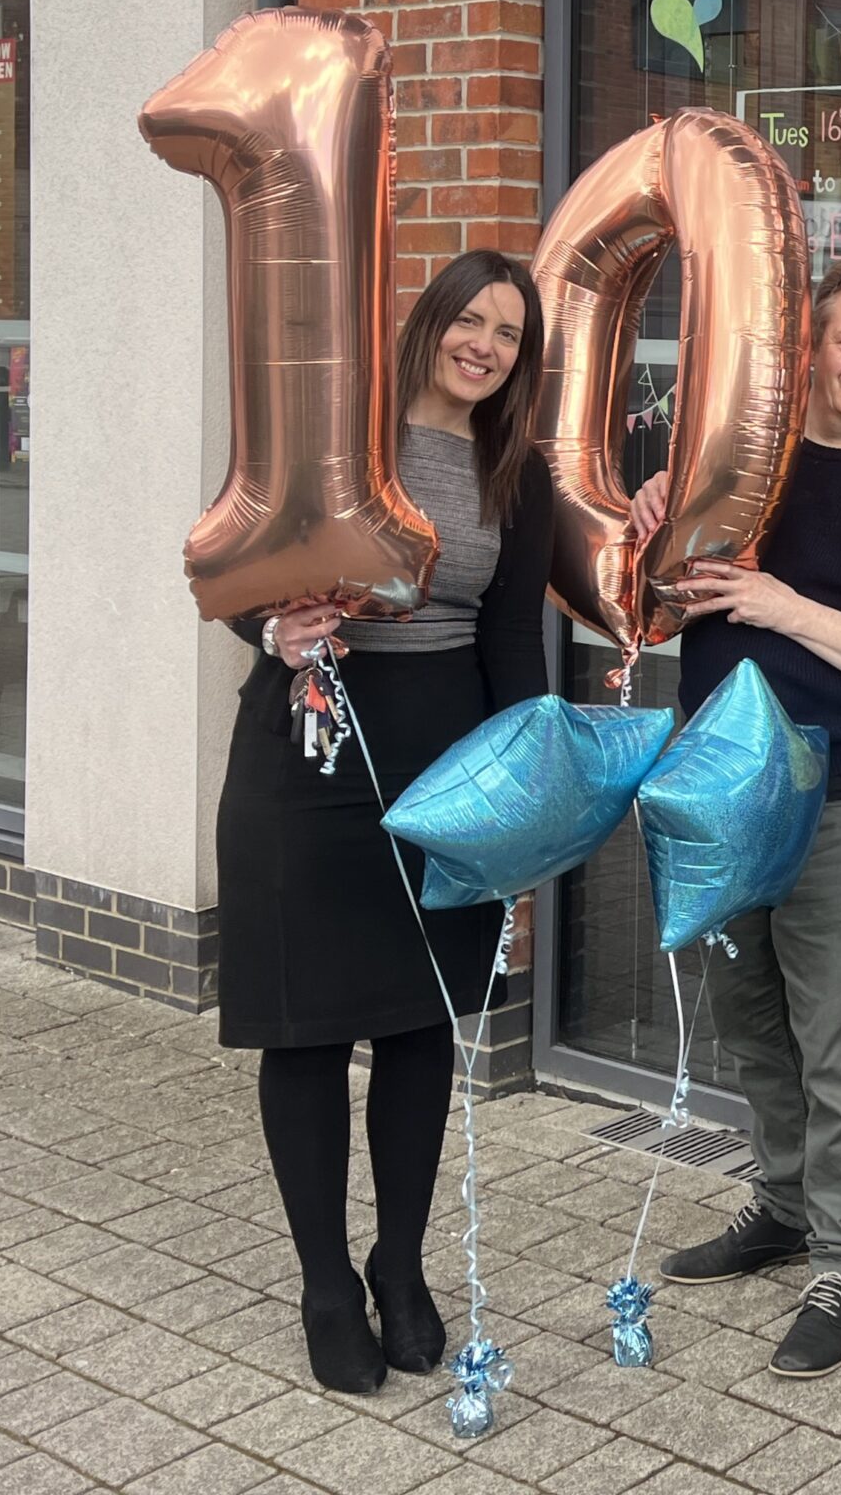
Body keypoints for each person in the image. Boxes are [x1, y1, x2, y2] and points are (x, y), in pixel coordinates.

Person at [219, 250, 554, 1395]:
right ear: (428, 322)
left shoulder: (517, 470)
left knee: (420, 1026)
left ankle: (400, 1265)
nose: (484, 344)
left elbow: (515, 644)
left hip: (447, 764)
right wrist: (273, 635)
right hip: (308, 758)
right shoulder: (333, 437)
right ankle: (324, 1284)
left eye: (508, 333)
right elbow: (232, 571)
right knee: (306, 1030)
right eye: (469, 318)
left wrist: (522, 802)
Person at [641, 263, 841, 1379]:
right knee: (750, 1015)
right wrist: (650, 527)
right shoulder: (742, 465)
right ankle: (780, 1205)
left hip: (837, 792)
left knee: (836, 1036)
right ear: (811, 347)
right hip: (720, 790)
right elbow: (648, 590)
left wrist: (783, 605)